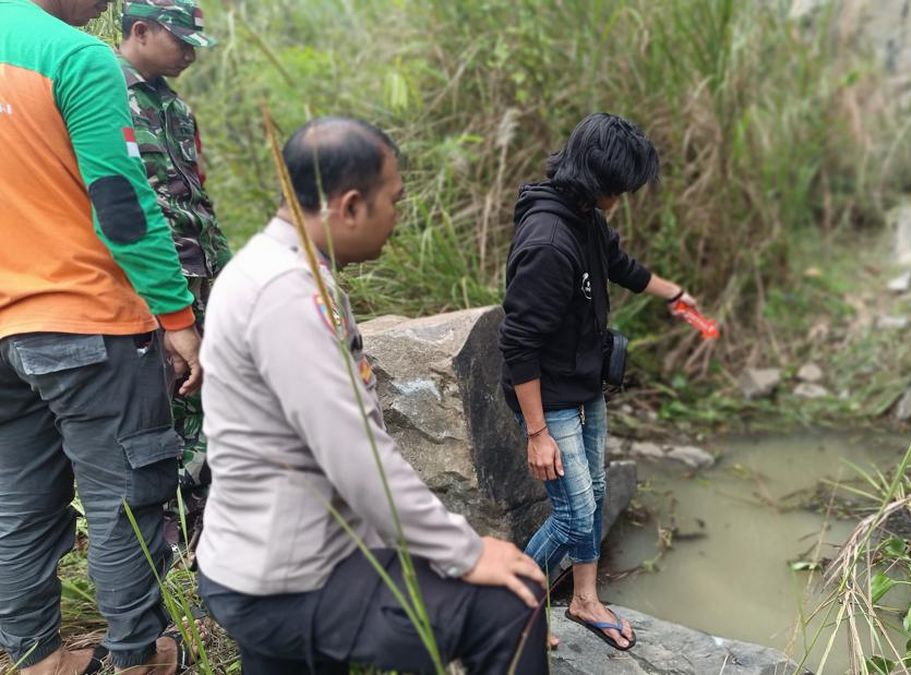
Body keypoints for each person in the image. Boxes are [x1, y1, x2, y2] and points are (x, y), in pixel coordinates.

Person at [196, 117, 548, 675]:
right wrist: (466, 551)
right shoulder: (288, 295)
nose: (397, 218)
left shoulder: (270, 270)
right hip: (287, 580)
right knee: (512, 605)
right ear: (352, 206)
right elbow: (357, 457)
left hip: (261, 563)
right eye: (394, 201)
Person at [0, 0, 204, 673]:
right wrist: (177, 317)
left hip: (4, 332)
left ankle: (37, 658)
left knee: (18, 503)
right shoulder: (73, 55)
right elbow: (120, 202)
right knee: (126, 497)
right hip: (85, 319)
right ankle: (140, 657)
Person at [499, 112, 701, 651]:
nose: (624, 196)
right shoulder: (548, 242)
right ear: (599, 178)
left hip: (585, 382)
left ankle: (584, 600)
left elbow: (619, 264)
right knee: (573, 515)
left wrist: (674, 294)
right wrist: (537, 433)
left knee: (595, 493)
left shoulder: (584, 214)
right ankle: (507, 608)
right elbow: (517, 343)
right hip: (549, 397)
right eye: (622, 186)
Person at [117, 0, 230, 545]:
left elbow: (196, 196)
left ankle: (208, 525)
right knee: (168, 401)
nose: (189, 54)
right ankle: (171, 533)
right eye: (180, 42)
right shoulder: (104, 92)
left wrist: (225, 269)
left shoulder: (175, 108)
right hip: (154, 281)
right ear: (140, 30)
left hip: (201, 270)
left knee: (207, 393)